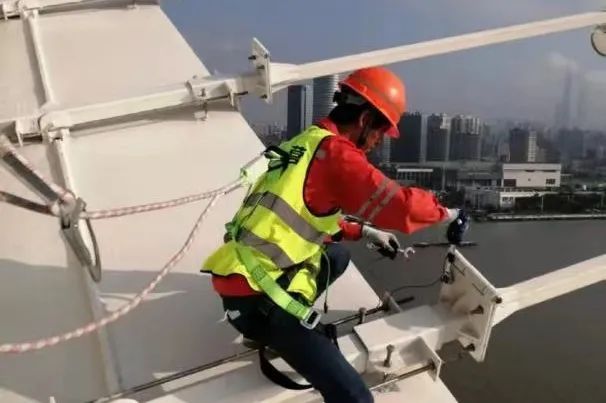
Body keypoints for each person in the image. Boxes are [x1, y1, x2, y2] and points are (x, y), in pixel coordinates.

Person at [202, 66, 468, 403]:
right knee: (355, 397)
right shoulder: (338, 155)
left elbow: (302, 216)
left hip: (240, 273)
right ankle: (273, 331)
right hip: (260, 299)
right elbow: (401, 207)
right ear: (365, 119)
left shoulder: (308, 141)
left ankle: (270, 331)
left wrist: (366, 231)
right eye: (380, 131)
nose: (379, 141)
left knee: (337, 255)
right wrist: (450, 213)